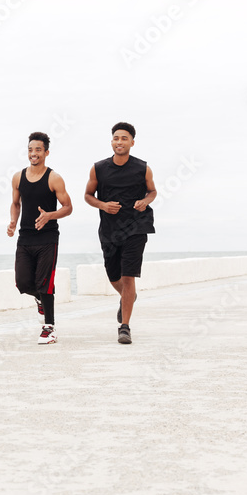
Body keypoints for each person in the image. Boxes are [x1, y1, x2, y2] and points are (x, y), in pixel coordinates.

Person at [84, 122, 157, 344]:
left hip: (136, 228)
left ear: (132, 142)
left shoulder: (142, 168)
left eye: (124, 138)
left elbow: (153, 191)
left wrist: (145, 201)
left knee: (128, 276)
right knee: (114, 276)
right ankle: (128, 297)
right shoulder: (98, 168)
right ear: (111, 141)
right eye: (116, 138)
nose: (119, 142)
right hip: (109, 231)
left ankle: (124, 327)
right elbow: (88, 195)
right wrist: (103, 205)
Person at [7, 132, 73, 344]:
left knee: (45, 283)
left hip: (47, 238)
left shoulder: (54, 178)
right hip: (25, 237)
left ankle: (49, 328)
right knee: (23, 283)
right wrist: (12, 222)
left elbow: (68, 207)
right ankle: (39, 299)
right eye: (30, 149)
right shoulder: (18, 177)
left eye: (38, 150)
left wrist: (49, 216)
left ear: (46, 152)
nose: (33, 153)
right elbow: (16, 204)